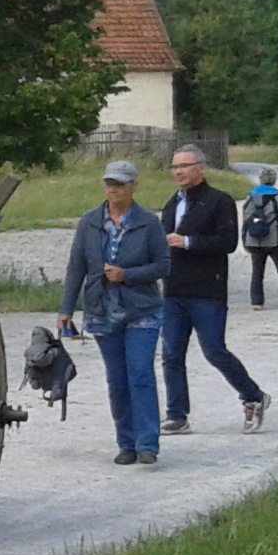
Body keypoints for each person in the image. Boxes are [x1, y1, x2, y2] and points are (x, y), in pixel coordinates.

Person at [58, 160, 170, 464]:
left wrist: (127, 274)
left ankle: (148, 443)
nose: (112, 189)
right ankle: (126, 443)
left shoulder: (148, 222)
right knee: (117, 379)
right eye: (109, 183)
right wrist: (66, 309)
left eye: (119, 184)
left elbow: (163, 266)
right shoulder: (89, 222)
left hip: (142, 310)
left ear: (133, 186)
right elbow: (76, 268)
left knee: (140, 374)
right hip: (101, 309)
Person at [158, 146, 271, 435]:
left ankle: (253, 396)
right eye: (175, 167)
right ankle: (177, 414)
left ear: (202, 168)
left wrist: (187, 242)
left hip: (207, 289)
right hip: (174, 290)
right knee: (171, 355)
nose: (179, 172)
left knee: (214, 351)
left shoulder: (218, 201)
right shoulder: (173, 203)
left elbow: (228, 242)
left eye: (185, 166)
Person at [240, 166, 278, 308]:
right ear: (274, 180)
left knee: (257, 272)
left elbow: (245, 220)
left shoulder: (250, 197)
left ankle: (257, 301)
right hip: (275, 240)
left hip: (254, 240)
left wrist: (245, 240)